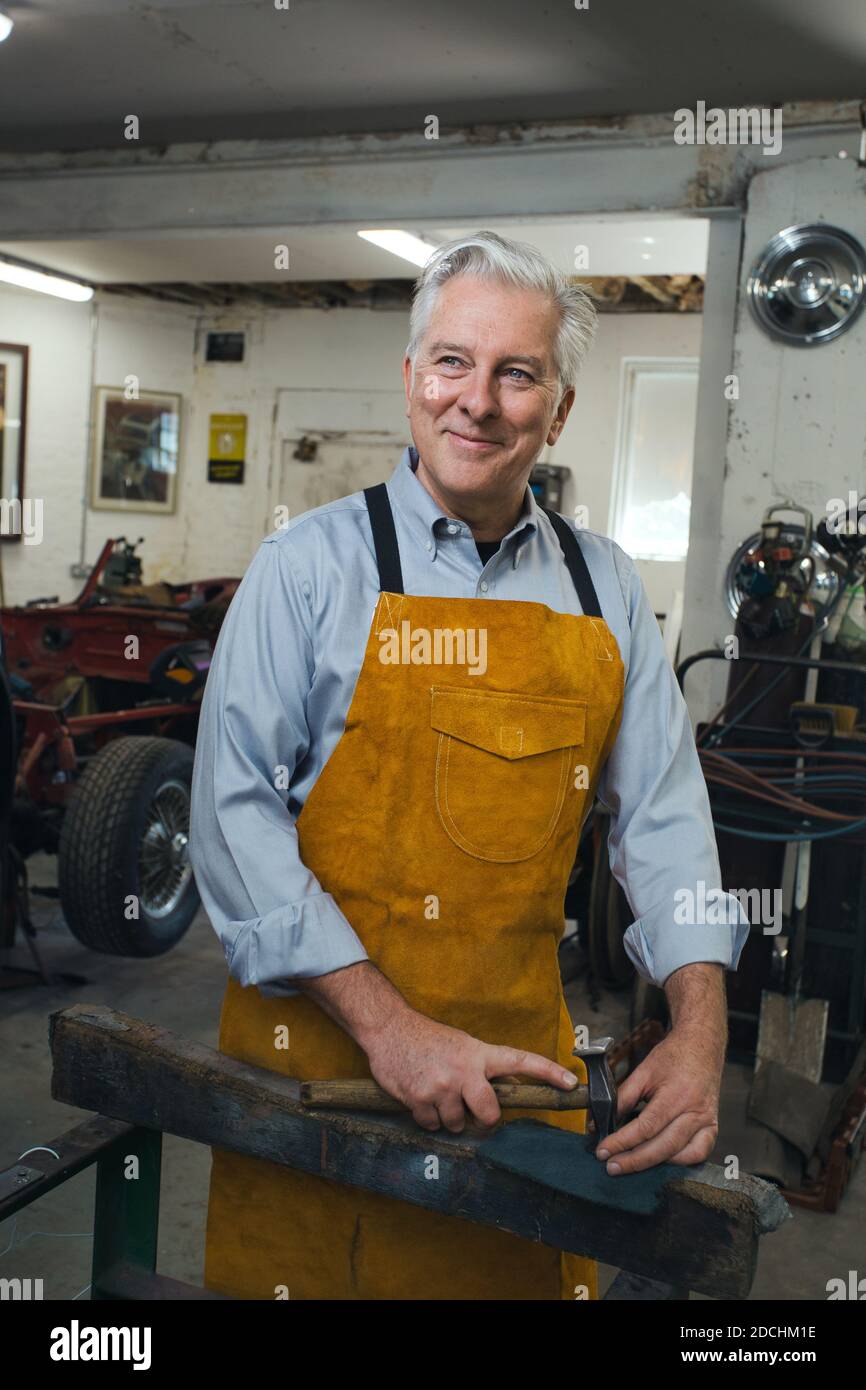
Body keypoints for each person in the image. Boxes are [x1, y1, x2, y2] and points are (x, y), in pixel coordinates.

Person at [190, 230, 748, 1300]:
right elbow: (232, 825)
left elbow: (665, 825)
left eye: (516, 372)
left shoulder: (605, 592)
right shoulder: (304, 571)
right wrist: (388, 1031)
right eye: (451, 361)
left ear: (560, 407)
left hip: (517, 1091)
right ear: (410, 378)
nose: (476, 401)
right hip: (320, 1084)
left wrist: (697, 1024)